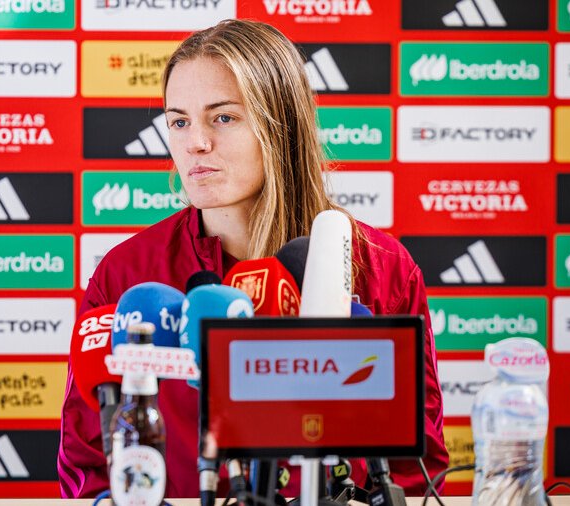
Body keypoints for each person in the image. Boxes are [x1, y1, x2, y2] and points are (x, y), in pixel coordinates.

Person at [59, 19, 448, 499]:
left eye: (222, 117)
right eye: (179, 120)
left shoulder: (381, 266)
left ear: (280, 123)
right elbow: (88, 463)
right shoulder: (126, 275)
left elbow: (415, 464)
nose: (195, 142)